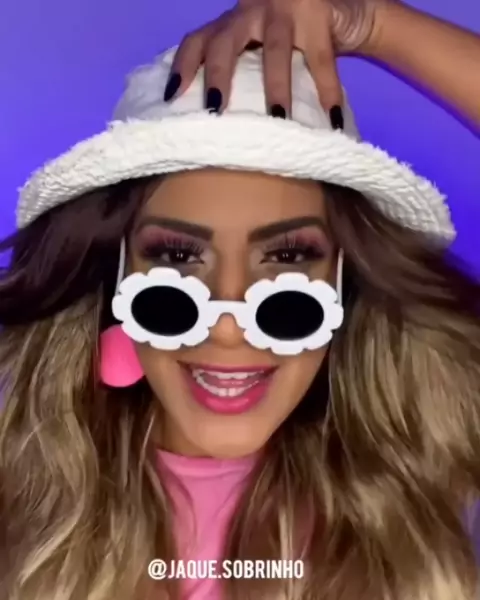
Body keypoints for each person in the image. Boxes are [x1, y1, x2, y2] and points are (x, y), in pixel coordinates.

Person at [0, 1, 479, 599]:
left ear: (344, 281)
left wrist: (372, 24)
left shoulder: (424, 466)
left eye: (287, 259)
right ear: (116, 277)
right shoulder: (20, 505)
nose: (228, 327)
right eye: (177, 258)